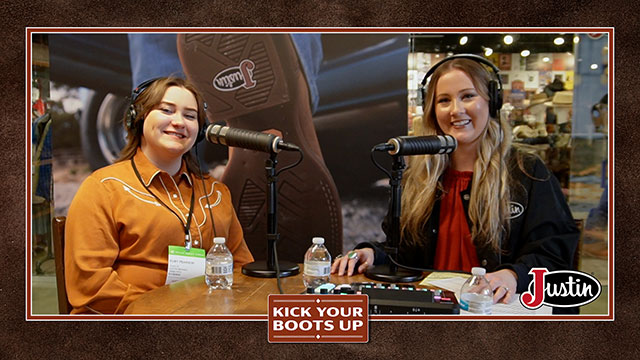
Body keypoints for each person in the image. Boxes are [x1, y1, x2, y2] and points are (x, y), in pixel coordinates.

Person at [331, 56, 579, 308]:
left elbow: (555, 251)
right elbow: (403, 252)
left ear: (492, 102)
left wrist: (514, 275)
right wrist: (372, 254)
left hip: (496, 309)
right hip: (433, 310)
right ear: (431, 110)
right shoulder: (418, 177)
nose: (456, 110)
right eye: (444, 100)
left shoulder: (526, 171)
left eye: (468, 96)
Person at [65, 77, 254, 314]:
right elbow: (91, 285)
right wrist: (170, 310)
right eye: (166, 110)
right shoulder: (103, 188)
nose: (179, 122)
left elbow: (242, 268)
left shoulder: (216, 192)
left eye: (190, 115)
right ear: (139, 117)